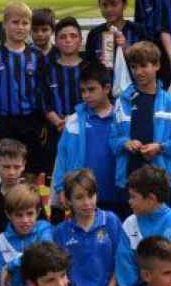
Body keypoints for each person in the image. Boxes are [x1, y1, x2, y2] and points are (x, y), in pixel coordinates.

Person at [0, 1, 54, 179]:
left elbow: (43, 92)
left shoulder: (37, 56)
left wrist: (44, 123)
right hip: (3, 124)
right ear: (5, 24)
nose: (20, 27)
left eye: (25, 23)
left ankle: (28, 206)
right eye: (15, 22)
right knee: (6, 175)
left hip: (32, 123)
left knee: (29, 176)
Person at [109, 42, 171, 198]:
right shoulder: (122, 100)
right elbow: (113, 139)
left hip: (161, 182)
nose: (138, 72)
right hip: (129, 181)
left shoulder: (170, 103)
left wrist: (160, 147)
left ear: (157, 65)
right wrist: (126, 143)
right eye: (133, 67)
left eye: (144, 66)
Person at [49, 169, 124, 286]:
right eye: (79, 197)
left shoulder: (110, 221)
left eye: (91, 195)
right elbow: (59, 272)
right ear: (68, 200)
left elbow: (122, 261)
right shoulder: (60, 232)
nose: (87, 202)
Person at [53, 64, 127, 218]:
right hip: (83, 198)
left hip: (118, 195)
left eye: (91, 89)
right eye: (83, 91)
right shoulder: (74, 120)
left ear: (106, 88)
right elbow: (62, 157)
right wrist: (60, 189)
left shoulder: (123, 118)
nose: (86, 95)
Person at [115, 166, 171, 286]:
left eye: (133, 197)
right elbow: (125, 267)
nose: (129, 201)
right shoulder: (129, 224)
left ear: (151, 199)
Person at [0, 185, 54, 286]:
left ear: (38, 212)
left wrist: (11, 265)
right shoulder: (1, 242)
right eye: (19, 215)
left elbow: (42, 253)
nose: (25, 220)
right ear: (9, 214)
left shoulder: (44, 229)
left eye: (30, 213)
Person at [43, 17, 88, 181]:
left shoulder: (90, 67)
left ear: (81, 39)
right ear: (55, 40)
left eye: (73, 36)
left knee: (82, 179)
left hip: (85, 131)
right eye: (63, 37)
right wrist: (58, 122)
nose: (68, 40)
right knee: (57, 180)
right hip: (56, 131)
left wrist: (73, 121)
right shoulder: (48, 69)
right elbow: (43, 101)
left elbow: (97, 99)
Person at [0, 139, 42, 236]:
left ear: (24, 165)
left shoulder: (33, 194)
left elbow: (43, 226)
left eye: (16, 167)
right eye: (6, 167)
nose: (11, 172)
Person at [85, 0, 145, 77]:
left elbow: (148, 63)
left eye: (114, 4)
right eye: (104, 5)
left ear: (124, 4)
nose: (109, 9)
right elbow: (89, 67)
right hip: (104, 90)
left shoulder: (138, 31)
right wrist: (98, 66)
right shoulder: (94, 34)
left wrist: (127, 49)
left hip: (135, 89)